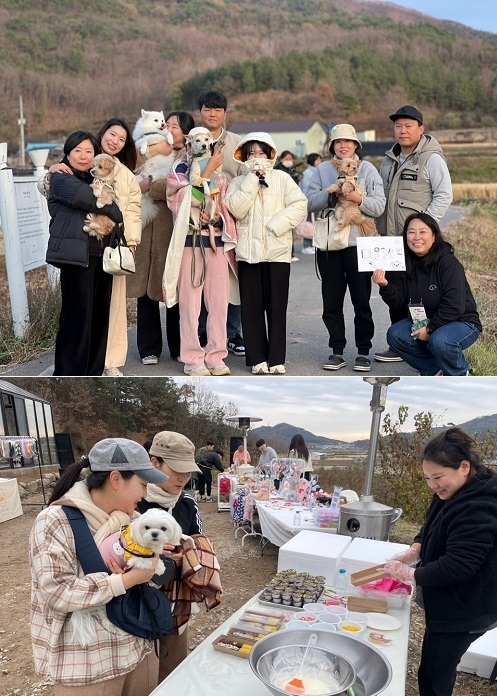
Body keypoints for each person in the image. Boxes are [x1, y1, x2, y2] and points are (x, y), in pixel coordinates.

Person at [29, 437, 169, 694]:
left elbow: (145, 570)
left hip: (137, 648)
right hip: (88, 664)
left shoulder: (134, 521)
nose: (145, 494)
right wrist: (124, 581)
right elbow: (55, 592)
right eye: (142, 484)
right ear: (116, 479)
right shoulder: (54, 521)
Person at [384, 427, 497, 696]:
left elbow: (460, 565)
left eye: (438, 477)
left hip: (466, 607)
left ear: (464, 467)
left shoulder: (479, 505)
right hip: (451, 602)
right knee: (435, 667)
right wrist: (416, 548)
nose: (433, 485)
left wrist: (412, 574)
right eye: (427, 478)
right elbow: (433, 524)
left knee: (435, 674)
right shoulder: (453, 490)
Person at [41, 118, 142, 376]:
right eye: (78, 151)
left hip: (100, 255)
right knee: (76, 320)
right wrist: (113, 209)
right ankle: (68, 374)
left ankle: (93, 372)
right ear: (67, 153)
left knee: (98, 319)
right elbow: (87, 198)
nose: (84, 156)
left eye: (89, 151)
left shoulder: (91, 176)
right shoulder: (62, 178)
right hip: (76, 258)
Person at [374, 105, 453, 363]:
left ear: (421, 129)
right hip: (390, 241)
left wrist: (424, 228)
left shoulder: (431, 159)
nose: (403, 130)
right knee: (394, 293)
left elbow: (444, 195)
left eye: (408, 125)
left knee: (418, 295)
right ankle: (401, 345)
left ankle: (424, 341)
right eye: (398, 126)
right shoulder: (389, 158)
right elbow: (380, 197)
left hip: (417, 242)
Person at [225, 132, 308, 375]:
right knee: (251, 308)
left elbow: (299, 204)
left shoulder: (282, 178)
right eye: (251, 153)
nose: (257, 157)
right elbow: (235, 209)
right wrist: (251, 180)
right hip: (248, 253)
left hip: (278, 252)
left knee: (276, 307)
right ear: (243, 155)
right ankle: (257, 358)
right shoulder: (238, 182)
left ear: (271, 153)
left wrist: (277, 225)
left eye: (262, 152)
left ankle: (277, 358)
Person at [306, 123, 386, 373]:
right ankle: (336, 351)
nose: (343, 146)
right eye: (338, 142)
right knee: (331, 301)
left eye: (348, 142)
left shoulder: (368, 169)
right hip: (329, 245)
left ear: (355, 146)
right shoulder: (320, 171)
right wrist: (331, 196)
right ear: (332, 146)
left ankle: (363, 351)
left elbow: (379, 205)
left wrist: (357, 199)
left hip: (358, 244)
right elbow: (308, 202)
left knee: (361, 300)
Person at [163, 125, 238, 376]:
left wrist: (215, 220)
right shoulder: (179, 170)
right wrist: (206, 171)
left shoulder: (221, 176)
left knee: (218, 304)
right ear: (189, 143)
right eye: (198, 140)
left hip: (215, 242)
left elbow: (225, 209)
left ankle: (216, 356)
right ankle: (193, 359)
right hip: (188, 242)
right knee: (190, 305)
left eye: (207, 140)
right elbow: (182, 202)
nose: (204, 144)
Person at [372, 213, 481, 375]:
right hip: (425, 320)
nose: (417, 237)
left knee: (441, 341)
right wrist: (385, 285)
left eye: (423, 232)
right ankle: (434, 368)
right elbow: (399, 303)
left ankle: (459, 371)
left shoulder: (448, 263)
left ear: (434, 236)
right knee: (395, 335)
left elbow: (454, 306)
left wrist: (429, 328)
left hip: (461, 321)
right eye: (411, 232)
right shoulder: (404, 262)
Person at [137, 431, 207, 680]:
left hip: (176, 598)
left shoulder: (186, 502)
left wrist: (185, 550)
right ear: (154, 462)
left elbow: (200, 542)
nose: (183, 478)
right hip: (135, 598)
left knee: (173, 666)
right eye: (176, 469)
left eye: (188, 471)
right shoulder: (135, 500)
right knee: (141, 672)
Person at [127, 111, 195, 366]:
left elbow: (172, 186)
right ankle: (149, 348)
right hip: (144, 229)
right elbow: (132, 176)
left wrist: (150, 184)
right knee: (144, 291)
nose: (169, 127)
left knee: (172, 290)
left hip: (171, 229)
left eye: (174, 125)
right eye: (168, 123)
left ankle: (179, 346)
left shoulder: (185, 156)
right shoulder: (145, 148)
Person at [197, 90, 245, 358]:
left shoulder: (237, 144)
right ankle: (204, 332)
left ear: (225, 113)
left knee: (232, 278)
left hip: (230, 219)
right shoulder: (192, 140)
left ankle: (234, 332)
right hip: (198, 219)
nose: (212, 113)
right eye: (207, 109)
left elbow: (243, 177)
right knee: (201, 277)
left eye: (217, 109)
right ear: (200, 112)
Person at [274, 149, 302, 261]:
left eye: (290, 159)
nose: (289, 161)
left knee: (289, 228)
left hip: (290, 202)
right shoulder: (277, 170)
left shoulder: (291, 169)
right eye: (287, 159)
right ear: (281, 159)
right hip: (280, 202)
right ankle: (285, 254)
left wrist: (297, 178)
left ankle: (291, 253)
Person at [299, 153, 322, 254]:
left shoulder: (318, 172)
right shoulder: (307, 173)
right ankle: (306, 246)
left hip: (316, 201)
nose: (320, 162)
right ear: (313, 161)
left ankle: (312, 245)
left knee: (314, 224)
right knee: (307, 224)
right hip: (309, 201)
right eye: (318, 160)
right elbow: (304, 188)